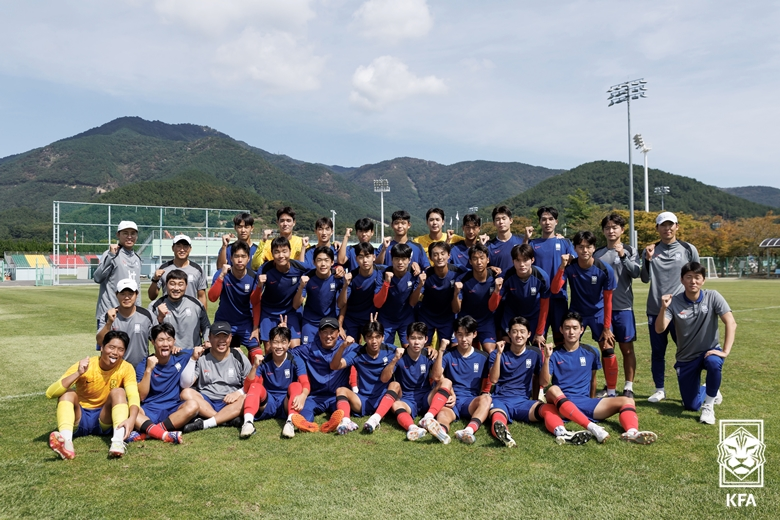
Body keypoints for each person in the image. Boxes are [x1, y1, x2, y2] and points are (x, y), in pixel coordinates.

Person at [540, 312, 657, 445]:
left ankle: (632, 432)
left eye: (575, 328)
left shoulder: (592, 352)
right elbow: (544, 382)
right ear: (561, 330)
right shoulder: (554, 354)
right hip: (562, 405)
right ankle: (592, 427)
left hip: (585, 402)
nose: (571, 332)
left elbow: (592, 379)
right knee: (553, 389)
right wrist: (547, 357)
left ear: (581, 330)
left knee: (627, 400)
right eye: (567, 328)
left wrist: (592, 398)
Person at [487, 317, 592, 446]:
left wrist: (547, 358)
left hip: (522, 402)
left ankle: (562, 432)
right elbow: (493, 379)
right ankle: (505, 434)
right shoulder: (498, 352)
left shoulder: (535, 353)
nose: (518, 335)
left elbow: (543, 381)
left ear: (529, 334)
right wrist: (498, 354)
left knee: (547, 408)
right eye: (514, 331)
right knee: (497, 415)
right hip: (501, 399)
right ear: (509, 334)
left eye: (522, 331)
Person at [655, 262, 736, 424]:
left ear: (703, 280)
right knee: (691, 405)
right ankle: (709, 389)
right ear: (682, 280)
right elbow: (659, 329)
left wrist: (725, 351)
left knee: (714, 362)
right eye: (689, 277)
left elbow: (731, 322)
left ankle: (709, 406)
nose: (693, 281)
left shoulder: (713, 296)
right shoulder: (674, 302)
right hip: (686, 358)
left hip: (709, 351)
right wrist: (663, 309)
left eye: (697, 277)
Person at [47, 331, 140, 459]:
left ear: (124, 352)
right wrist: (78, 373)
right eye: (111, 347)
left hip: (104, 419)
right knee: (67, 393)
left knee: (119, 392)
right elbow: (50, 393)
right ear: (102, 347)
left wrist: (132, 419)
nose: (115, 352)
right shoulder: (87, 364)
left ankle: (117, 442)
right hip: (80, 417)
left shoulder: (126, 368)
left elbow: (133, 395)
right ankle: (66, 443)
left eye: (120, 349)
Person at [641, 211, 700, 403]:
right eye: (663, 225)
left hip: (681, 309)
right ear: (657, 228)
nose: (667, 228)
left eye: (671, 224)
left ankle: (689, 390)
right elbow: (644, 278)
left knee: (686, 352)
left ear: (677, 227)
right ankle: (659, 389)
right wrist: (647, 260)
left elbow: (696, 278)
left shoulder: (688, 249)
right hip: (656, 310)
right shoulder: (650, 250)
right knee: (658, 352)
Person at [552, 230, 618, 396]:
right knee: (567, 349)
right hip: (576, 314)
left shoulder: (604, 269)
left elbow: (609, 300)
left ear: (594, 248)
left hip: (598, 314)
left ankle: (611, 391)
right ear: (575, 248)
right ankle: (565, 387)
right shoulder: (570, 267)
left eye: (588, 247)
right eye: (580, 247)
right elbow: (554, 289)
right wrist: (561, 266)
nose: (584, 251)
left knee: (608, 349)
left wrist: (607, 327)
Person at [239, 325, 319, 439]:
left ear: (289, 343)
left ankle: (290, 423)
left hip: (287, 402)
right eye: (275, 342)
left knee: (296, 385)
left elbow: (305, 382)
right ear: (270, 343)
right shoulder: (264, 360)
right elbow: (247, 387)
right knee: (255, 387)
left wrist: (303, 396)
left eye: (283, 342)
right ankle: (248, 423)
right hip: (269, 402)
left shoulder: (296, 360)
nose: (279, 346)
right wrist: (255, 366)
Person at [380, 322, 454, 442]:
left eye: (420, 338)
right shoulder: (400, 355)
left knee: (446, 381)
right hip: (407, 399)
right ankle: (413, 428)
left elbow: (437, 377)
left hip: (426, 397)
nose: (416, 342)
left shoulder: (428, 354)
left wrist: (440, 351)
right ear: (407, 338)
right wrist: (394, 360)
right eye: (413, 338)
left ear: (426, 339)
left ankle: (428, 417)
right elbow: (384, 378)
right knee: (395, 405)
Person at [594, 213, 641, 398]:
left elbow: (636, 273)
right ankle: (609, 385)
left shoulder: (630, 250)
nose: (611, 231)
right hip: (602, 309)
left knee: (627, 349)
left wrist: (623, 256)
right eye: (607, 228)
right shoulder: (597, 254)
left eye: (615, 227)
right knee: (607, 349)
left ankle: (628, 386)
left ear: (622, 230)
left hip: (624, 308)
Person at [428, 316, 493, 445]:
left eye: (468, 334)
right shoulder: (448, 354)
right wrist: (441, 351)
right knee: (443, 415)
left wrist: (484, 395)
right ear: (455, 335)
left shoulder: (483, 357)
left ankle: (468, 431)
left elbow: (489, 382)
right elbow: (436, 376)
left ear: (474, 334)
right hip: (451, 399)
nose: (463, 339)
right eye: (460, 335)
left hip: (470, 401)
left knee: (486, 398)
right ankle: (441, 431)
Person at [131, 323, 199, 444]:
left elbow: (201, 350)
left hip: (173, 408)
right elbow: (141, 396)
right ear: (153, 342)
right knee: (130, 411)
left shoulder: (181, 356)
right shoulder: (144, 364)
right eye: (161, 340)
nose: (165, 344)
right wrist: (149, 370)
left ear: (174, 341)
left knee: (193, 405)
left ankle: (149, 432)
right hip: (150, 409)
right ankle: (164, 434)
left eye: (169, 340)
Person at [327, 321, 399, 434]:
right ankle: (346, 421)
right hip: (363, 401)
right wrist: (342, 347)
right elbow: (334, 366)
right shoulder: (358, 352)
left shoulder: (391, 351)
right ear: (365, 338)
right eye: (370, 337)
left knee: (395, 385)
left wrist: (431, 350)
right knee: (341, 390)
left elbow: (384, 379)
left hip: (383, 399)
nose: (374, 341)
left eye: (377, 337)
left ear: (383, 337)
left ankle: (375, 419)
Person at [179, 322, 252, 432]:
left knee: (247, 398)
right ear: (209, 338)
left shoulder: (238, 356)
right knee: (186, 393)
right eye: (217, 336)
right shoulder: (202, 356)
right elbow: (185, 384)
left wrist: (237, 393)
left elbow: (251, 383)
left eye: (225, 336)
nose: (221, 340)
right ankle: (224, 419)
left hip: (231, 402)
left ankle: (208, 421)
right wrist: (193, 359)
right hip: (207, 401)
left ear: (230, 338)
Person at [291, 317, 355, 432]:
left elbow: (369, 351)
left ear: (338, 332)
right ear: (319, 333)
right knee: (305, 411)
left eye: (332, 332)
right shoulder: (309, 349)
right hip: (315, 396)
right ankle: (306, 425)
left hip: (336, 396)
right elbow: (286, 353)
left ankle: (333, 423)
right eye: (325, 332)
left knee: (341, 411)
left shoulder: (347, 348)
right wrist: (283, 334)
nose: (328, 336)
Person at [527, 206, 577, 347]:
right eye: (544, 219)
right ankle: (539, 368)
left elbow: (576, 257)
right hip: (537, 299)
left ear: (556, 221)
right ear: (539, 222)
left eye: (551, 219)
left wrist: (570, 257)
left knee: (561, 339)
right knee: (537, 339)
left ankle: (558, 368)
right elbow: (521, 258)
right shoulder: (533, 244)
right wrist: (526, 238)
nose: (547, 222)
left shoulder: (565, 243)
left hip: (559, 298)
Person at [208, 240, 263, 360]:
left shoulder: (253, 277)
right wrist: (221, 277)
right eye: (236, 256)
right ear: (230, 258)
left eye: (243, 256)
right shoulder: (221, 274)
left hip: (245, 323)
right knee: (218, 353)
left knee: (257, 356)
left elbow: (256, 303)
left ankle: (251, 378)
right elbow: (212, 298)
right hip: (224, 321)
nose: (240, 260)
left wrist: (255, 328)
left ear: (248, 259)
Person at [258, 236, 310, 349]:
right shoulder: (265, 269)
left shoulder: (299, 267)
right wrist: (259, 284)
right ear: (272, 253)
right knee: (270, 349)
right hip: (269, 313)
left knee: (295, 349)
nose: (281, 256)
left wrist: (337, 270)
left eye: (284, 251)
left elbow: (317, 271)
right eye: (276, 252)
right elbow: (255, 296)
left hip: (290, 312)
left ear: (290, 252)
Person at [452, 243, 502, 353]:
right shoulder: (463, 279)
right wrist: (456, 293)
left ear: (488, 260)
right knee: (456, 349)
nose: (479, 262)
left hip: (486, 321)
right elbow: (456, 309)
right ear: (470, 261)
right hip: (466, 321)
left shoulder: (496, 278)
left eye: (482, 258)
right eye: (475, 259)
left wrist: (497, 290)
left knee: (490, 352)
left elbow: (493, 307)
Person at [93, 220, 142, 332]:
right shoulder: (111, 254)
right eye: (125, 233)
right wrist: (110, 256)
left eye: (133, 233)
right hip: (111, 314)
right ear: (118, 235)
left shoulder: (137, 259)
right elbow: (97, 277)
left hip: (130, 314)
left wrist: (138, 310)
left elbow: (137, 288)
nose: (129, 237)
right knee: (110, 349)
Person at [498, 244, 549, 347]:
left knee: (538, 347)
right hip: (512, 315)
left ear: (532, 260)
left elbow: (544, 307)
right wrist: (496, 290)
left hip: (534, 315)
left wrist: (539, 332)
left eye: (525, 260)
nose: (522, 264)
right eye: (518, 260)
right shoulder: (506, 276)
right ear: (513, 261)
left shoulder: (542, 277)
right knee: (509, 348)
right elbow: (492, 306)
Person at [373, 243, 424, 347]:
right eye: (396, 259)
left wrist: (419, 286)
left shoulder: (414, 274)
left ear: (409, 260)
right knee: (383, 349)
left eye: (404, 259)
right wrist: (386, 283)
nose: (400, 262)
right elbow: (377, 303)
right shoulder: (383, 273)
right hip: (386, 319)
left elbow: (412, 302)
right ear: (392, 260)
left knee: (410, 349)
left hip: (406, 318)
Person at [416, 242, 465, 348]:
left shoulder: (459, 271)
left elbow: (477, 271)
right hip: (427, 316)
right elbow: (414, 301)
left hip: (448, 317)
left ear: (449, 255)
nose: (439, 257)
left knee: (449, 348)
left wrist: (491, 270)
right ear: (430, 257)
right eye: (435, 254)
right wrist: (420, 285)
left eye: (443, 253)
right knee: (424, 349)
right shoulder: (426, 275)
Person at [96, 278, 154, 369]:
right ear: (116, 295)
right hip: (115, 369)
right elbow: (100, 342)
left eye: (130, 294)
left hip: (140, 369)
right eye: (122, 294)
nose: (126, 297)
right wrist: (109, 323)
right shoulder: (108, 316)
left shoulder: (147, 315)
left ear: (136, 295)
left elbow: (157, 340)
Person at [150, 269, 211, 350]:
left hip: (193, 355)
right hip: (167, 356)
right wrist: (160, 319)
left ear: (186, 286)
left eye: (180, 284)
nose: (176, 288)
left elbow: (206, 326)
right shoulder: (156, 306)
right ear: (166, 285)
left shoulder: (196, 304)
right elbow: (150, 335)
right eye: (172, 284)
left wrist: (207, 340)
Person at [295, 246, 344, 345]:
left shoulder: (338, 277)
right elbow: (296, 305)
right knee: (306, 351)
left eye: (326, 260)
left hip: (330, 321)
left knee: (333, 352)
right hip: (310, 322)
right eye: (319, 260)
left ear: (332, 262)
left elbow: (343, 303)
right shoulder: (308, 278)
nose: (323, 264)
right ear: (314, 262)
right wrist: (301, 287)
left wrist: (340, 324)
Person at [338, 242, 385, 341]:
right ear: (356, 259)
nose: (365, 260)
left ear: (374, 257)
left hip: (370, 318)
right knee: (349, 347)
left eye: (368, 256)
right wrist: (345, 285)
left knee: (373, 347)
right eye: (361, 257)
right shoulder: (351, 277)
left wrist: (414, 266)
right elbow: (341, 304)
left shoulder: (381, 271)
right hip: (352, 319)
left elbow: (399, 267)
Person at [149, 234, 208, 309]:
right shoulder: (163, 269)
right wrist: (155, 280)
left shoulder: (198, 270)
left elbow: (202, 296)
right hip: (168, 313)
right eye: (179, 246)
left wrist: (203, 318)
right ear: (173, 248)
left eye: (185, 246)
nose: (182, 249)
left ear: (190, 249)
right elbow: (152, 297)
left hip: (190, 313)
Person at [486, 206, 524, 275]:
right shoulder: (489, 246)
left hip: (518, 284)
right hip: (499, 284)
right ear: (494, 223)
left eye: (504, 218)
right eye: (497, 219)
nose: (501, 222)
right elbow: (482, 267)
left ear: (511, 220)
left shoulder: (522, 241)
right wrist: (490, 268)